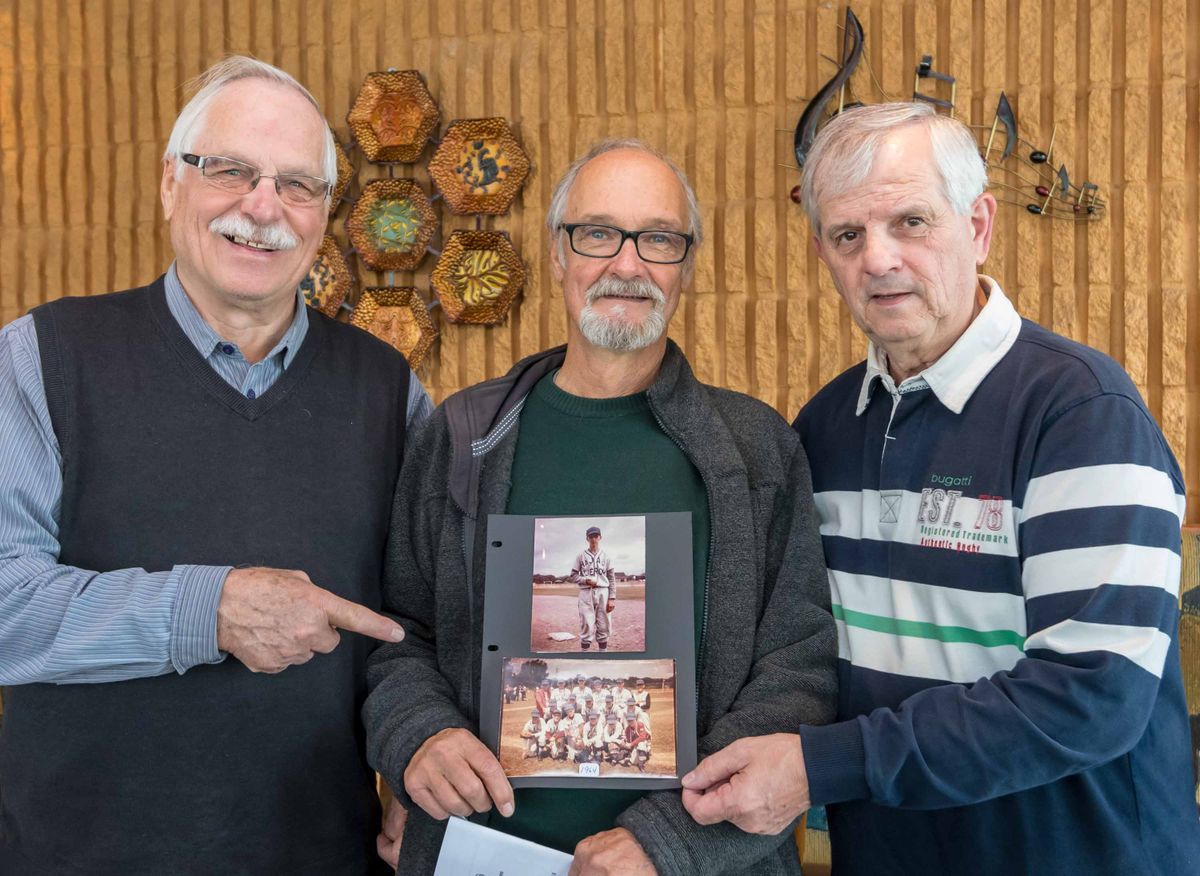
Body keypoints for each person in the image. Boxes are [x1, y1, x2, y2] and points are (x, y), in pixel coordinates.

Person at [681, 102, 1200, 874]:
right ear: (821, 250)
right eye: (848, 235)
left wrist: (822, 767)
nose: (879, 259)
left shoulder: (1084, 415)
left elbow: (1089, 697)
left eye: (911, 222)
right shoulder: (820, 429)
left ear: (980, 225)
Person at [0, 57, 430, 874]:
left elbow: (425, 623)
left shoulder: (392, 389)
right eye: (229, 169)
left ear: (325, 213)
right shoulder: (41, 358)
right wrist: (209, 610)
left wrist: (418, 757)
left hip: (324, 854)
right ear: (171, 183)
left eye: (296, 185)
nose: (262, 206)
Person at [364, 138, 837, 874]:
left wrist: (671, 842)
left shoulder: (755, 450)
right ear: (558, 253)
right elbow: (399, 634)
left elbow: (799, 674)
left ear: (685, 265)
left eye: (658, 240)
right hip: (482, 856)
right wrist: (418, 733)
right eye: (597, 234)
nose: (627, 264)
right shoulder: (463, 436)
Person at [570, 525, 616, 649]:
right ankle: (585, 657)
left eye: (596, 536)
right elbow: (573, 576)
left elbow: (611, 578)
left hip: (603, 592)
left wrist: (612, 598)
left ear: (600, 537)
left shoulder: (606, 556)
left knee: (604, 626)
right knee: (586, 625)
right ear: (587, 538)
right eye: (591, 536)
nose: (593, 539)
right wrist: (585, 580)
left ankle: (603, 656)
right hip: (586, 592)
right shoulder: (580, 556)